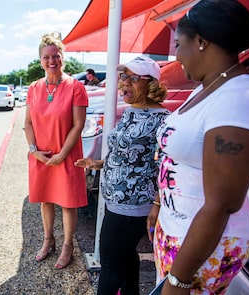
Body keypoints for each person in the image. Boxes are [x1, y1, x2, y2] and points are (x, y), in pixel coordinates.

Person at [147, 0, 249, 294]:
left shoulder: (241, 98)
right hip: (178, 231)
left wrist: (179, 279)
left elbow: (222, 203)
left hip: (203, 245)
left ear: (201, 41)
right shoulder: (208, 87)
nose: (176, 56)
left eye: (178, 45)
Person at [75, 55, 169, 295]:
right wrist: (97, 163)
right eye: (123, 76)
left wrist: (157, 204)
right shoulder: (130, 112)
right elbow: (123, 153)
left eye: (133, 78)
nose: (124, 82)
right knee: (125, 256)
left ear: (152, 84)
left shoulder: (162, 120)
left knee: (109, 261)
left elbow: (165, 165)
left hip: (134, 204)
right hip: (114, 199)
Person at [24, 32, 88, 269]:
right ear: (40, 60)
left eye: (55, 56)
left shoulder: (76, 87)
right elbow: (28, 124)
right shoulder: (33, 88)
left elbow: (78, 125)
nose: (51, 61)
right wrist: (34, 151)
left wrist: (62, 155)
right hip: (41, 155)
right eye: (46, 57)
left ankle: (68, 245)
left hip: (67, 154)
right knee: (45, 201)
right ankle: (48, 239)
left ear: (62, 57)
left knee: (68, 203)